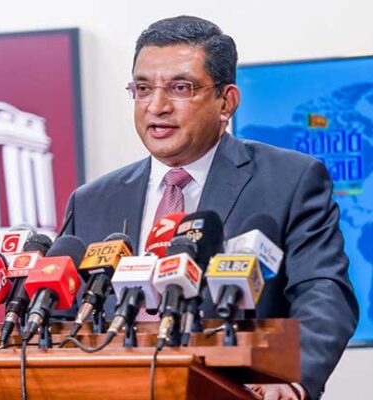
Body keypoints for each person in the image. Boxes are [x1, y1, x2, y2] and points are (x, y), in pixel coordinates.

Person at [63, 16, 358, 400]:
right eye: (143, 88)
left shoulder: (290, 180)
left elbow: (324, 292)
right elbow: (62, 316)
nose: (157, 106)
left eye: (180, 88)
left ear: (226, 101)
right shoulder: (92, 201)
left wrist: (292, 378)